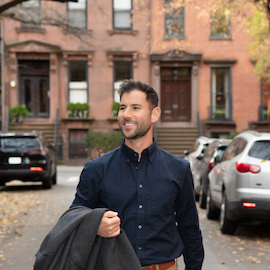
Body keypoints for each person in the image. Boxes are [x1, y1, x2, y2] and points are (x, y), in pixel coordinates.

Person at [71, 80, 204, 270]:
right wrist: (94, 225)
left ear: (154, 114)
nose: (126, 114)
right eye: (122, 107)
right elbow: (73, 218)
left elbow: (189, 228)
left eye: (135, 107)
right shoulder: (96, 169)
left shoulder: (179, 169)